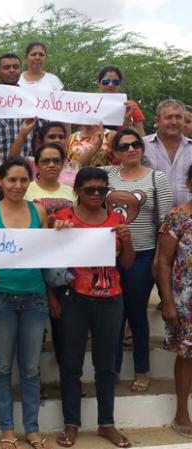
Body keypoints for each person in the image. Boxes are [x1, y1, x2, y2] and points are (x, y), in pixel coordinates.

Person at [52, 167, 135, 448]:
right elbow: (49, 259)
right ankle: (71, 424)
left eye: (102, 190)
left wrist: (128, 240)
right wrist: (56, 233)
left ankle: (106, 423)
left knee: (107, 365)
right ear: (77, 191)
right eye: (90, 190)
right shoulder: (63, 219)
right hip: (74, 298)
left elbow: (126, 264)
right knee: (71, 364)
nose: (97, 194)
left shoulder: (116, 219)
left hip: (111, 298)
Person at [0, 157, 51, 449]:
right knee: (3, 366)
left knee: (31, 368)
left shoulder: (40, 211)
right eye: (12, 180)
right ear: (0, 181)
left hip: (34, 297)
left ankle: (32, 428)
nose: (18, 186)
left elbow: (48, 252)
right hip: (0, 299)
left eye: (23, 180)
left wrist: (61, 233)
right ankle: (7, 428)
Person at [95, 128, 173, 392]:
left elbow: (165, 222)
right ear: (115, 152)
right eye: (124, 145)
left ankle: (142, 370)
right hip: (107, 255)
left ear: (142, 148)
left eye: (135, 144)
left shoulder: (156, 179)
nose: (131, 149)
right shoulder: (106, 174)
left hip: (143, 254)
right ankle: (113, 368)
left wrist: (159, 259)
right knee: (112, 313)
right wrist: (96, 143)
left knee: (135, 312)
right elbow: (79, 177)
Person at [157, 164, 192, 438]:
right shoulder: (177, 218)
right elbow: (163, 262)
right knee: (187, 356)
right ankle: (182, 412)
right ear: (189, 185)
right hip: (186, 302)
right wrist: (167, 301)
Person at [143, 99, 192, 206]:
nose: (174, 122)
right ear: (157, 121)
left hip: (187, 219)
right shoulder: (141, 146)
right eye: (169, 117)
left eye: (178, 117)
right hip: (149, 217)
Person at [0, 53, 41, 160]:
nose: (12, 70)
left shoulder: (31, 99)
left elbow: (37, 136)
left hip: (27, 168)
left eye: (16, 67)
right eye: (6, 67)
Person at [25, 143, 75, 215]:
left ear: (62, 165)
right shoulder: (25, 190)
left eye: (56, 161)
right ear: (36, 165)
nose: (51, 165)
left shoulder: (72, 192)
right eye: (45, 161)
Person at [96, 65, 145, 136]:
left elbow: (141, 136)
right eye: (106, 82)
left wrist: (128, 123)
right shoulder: (88, 105)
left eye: (115, 82)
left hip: (123, 146)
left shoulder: (130, 106)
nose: (110, 85)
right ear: (98, 83)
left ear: (120, 84)